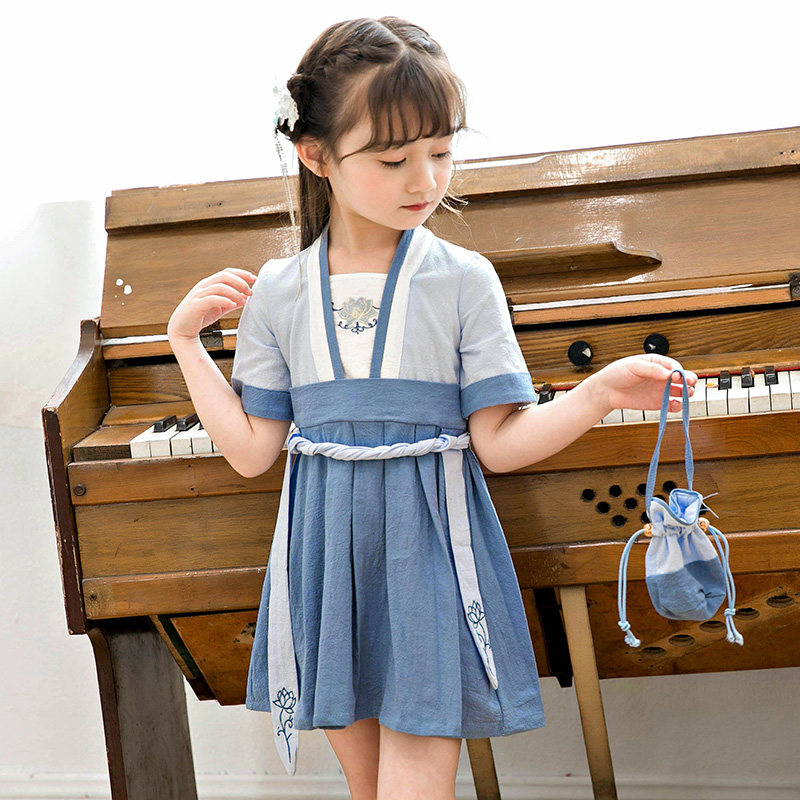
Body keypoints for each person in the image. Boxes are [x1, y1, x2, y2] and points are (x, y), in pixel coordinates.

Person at [167, 15, 697, 800]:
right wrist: (185, 343)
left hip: (430, 553)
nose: (424, 180)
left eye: (441, 152)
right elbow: (251, 452)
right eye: (393, 159)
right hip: (326, 561)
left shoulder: (463, 279)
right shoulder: (280, 291)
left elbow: (499, 443)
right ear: (316, 155)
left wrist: (599, 393)